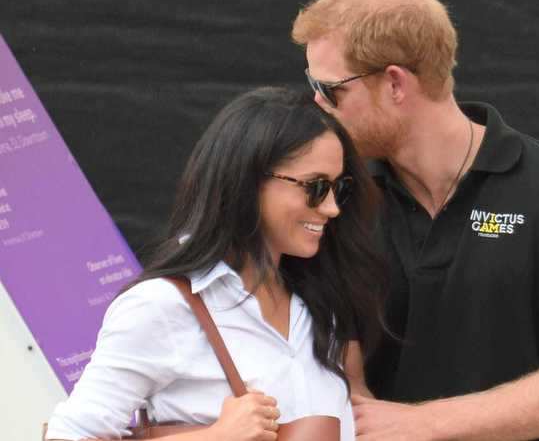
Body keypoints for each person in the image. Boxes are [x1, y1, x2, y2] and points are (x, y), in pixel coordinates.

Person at [291, 0, 539, 441]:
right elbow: (329, 356)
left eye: (331, 90)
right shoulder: (338, 197)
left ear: (395, 84)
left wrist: (426, 424)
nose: (317, 104)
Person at [46, 87, 385, 441]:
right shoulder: (162, 307)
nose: (332, 207)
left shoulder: (321, 304)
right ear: (249, 182)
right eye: (315, 187)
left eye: (338, 188)